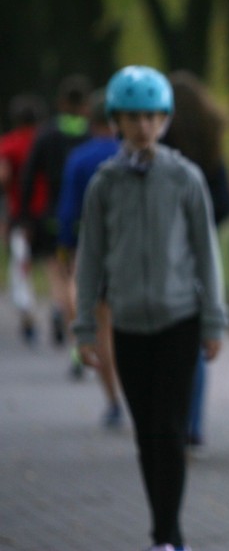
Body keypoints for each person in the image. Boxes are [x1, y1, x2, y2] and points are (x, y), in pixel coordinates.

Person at [72, 65, 228, 551]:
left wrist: (214, 318)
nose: (143, 126)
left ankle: (168, 533)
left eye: (152, 117)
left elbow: (206, 250)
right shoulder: (104, 184)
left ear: (164, 120)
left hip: (179, 319)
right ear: (117, 120)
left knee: (170, 429)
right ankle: (162, 527)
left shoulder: (185, 178)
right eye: (133, 117)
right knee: (147, 435)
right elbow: (90, 256)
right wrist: (83, 327)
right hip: (129, 324)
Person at [161, 69, 229, 454]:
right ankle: (193, 424)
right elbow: (223, 199)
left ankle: (169, 419)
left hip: (164, 242)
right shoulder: (210, 139)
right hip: (199, 242)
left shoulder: (161, 140)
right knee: (195, 335)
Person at [56, 89, 123, 428]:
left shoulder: (80, 158)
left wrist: (66, 248)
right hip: (130, 249)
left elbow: (68, 211)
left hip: (95, 250)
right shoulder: (129, 154)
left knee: (103, 329)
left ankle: (113, 400)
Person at [19, 74, 92, 361]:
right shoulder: (91, 135)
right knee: (79, 276)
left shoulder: (47, 135)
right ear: (86, 105)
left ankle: (64, 316)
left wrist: (24, 216)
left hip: (53, 217)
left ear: (62, 103)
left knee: (58, 278)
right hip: (87, 217)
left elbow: (28, 177)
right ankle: (78, 333)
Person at [0, 93, 48, 344]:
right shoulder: (47, 140)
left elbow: (4, 176)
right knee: (55, 268)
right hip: (50, 213)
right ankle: (61, 310)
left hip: (21, 214)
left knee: (21, 267)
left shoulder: (9, 144)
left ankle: (28, 314)